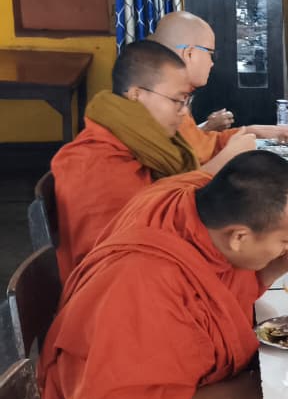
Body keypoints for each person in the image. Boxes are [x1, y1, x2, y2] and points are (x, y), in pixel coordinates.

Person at [39, 151, 288, 399]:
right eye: (286, 240)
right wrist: (240, 393)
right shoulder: (144, 288)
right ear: (237, 237)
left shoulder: (183, 198)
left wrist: (284, 260)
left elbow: (224, 286)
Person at [51, 41, 257, 280]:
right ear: (137, 95)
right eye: (177, 101)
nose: (183, 112)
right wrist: (220, 163)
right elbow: (136, 236)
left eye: (186, 102)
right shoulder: (94, 160)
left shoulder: (147, 142)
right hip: (117, 286)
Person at [149, 11, 288, 162]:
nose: (212, 63)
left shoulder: (176, 95)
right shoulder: (157, 102)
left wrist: (252, 131)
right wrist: (228, 155)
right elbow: (177, 177)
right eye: (210, 54)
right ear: (189, 54)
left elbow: (200, 145)